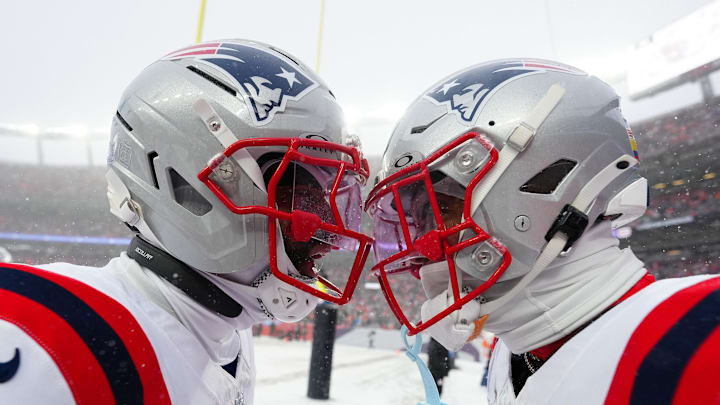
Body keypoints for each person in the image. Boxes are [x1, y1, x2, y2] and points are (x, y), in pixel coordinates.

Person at [0, 39, 371, 404]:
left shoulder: (227, 329)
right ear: (187, 182)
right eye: (298, 194)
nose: (327, 234)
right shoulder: (59, 333)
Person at [364, 58, 720, 404]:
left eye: (443, 208)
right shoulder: (513, 355)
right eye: (422, 217)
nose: (425, 247)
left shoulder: (699, 332)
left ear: (545, 181)